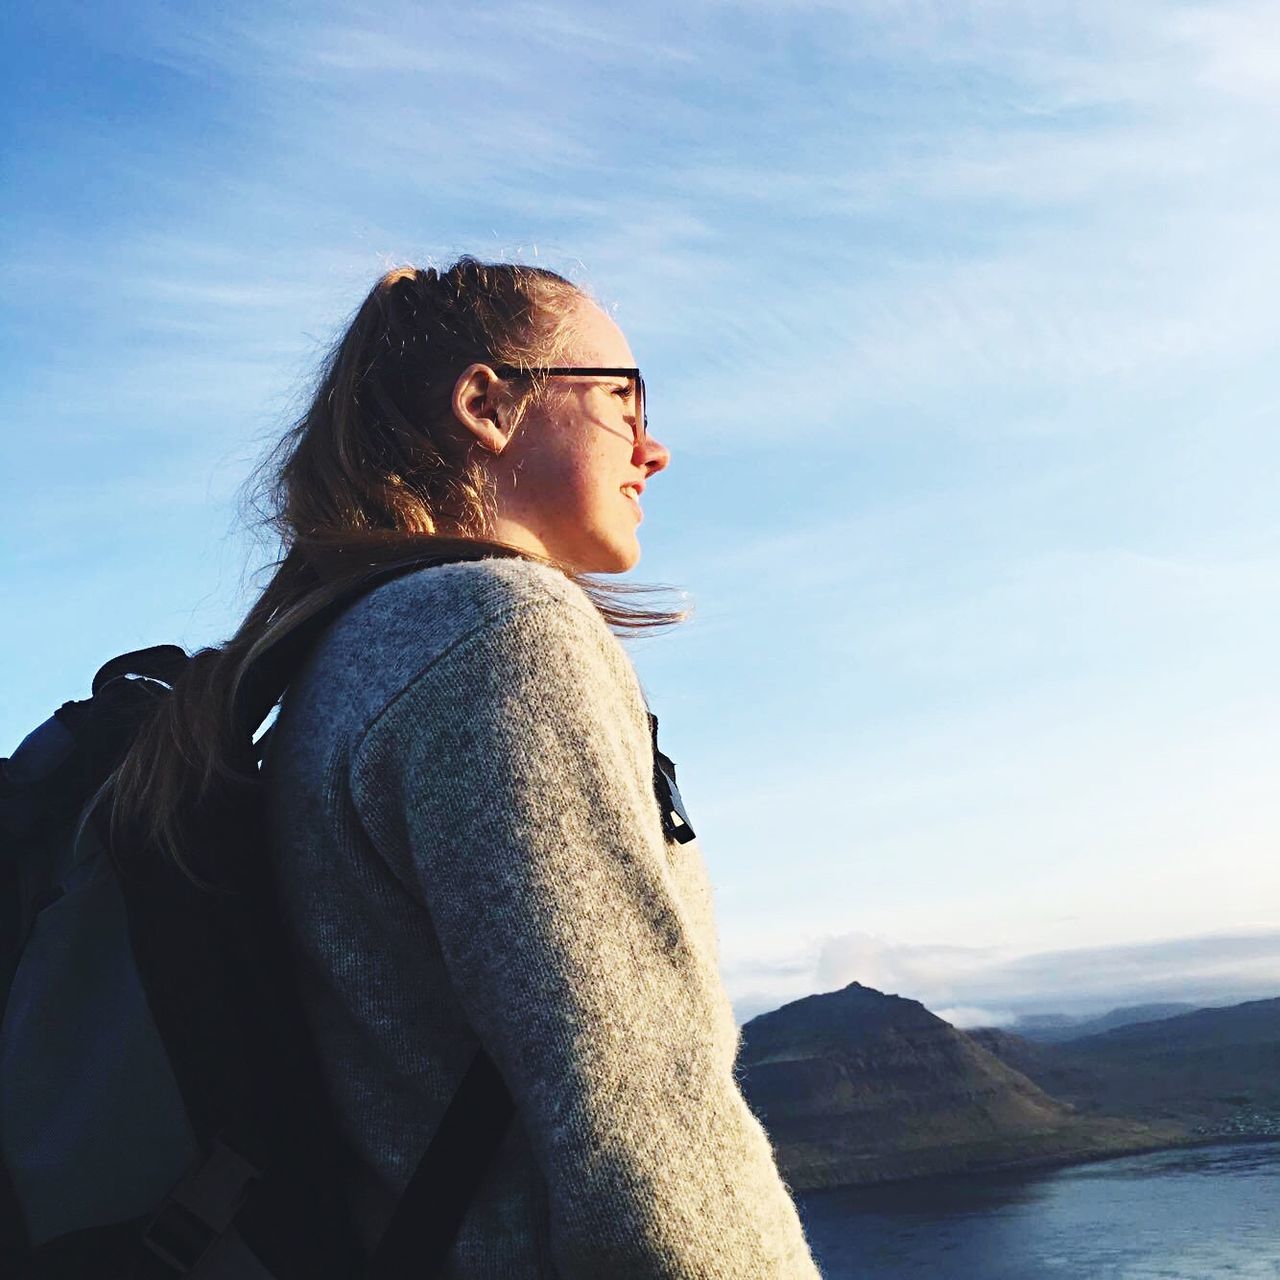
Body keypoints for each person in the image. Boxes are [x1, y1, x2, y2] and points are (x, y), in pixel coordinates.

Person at [114, 258, 823, 1276]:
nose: (653, 449)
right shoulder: (499, 631)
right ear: (487, 403)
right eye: (625, 397)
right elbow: (646, 1127)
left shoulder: (335, 658)